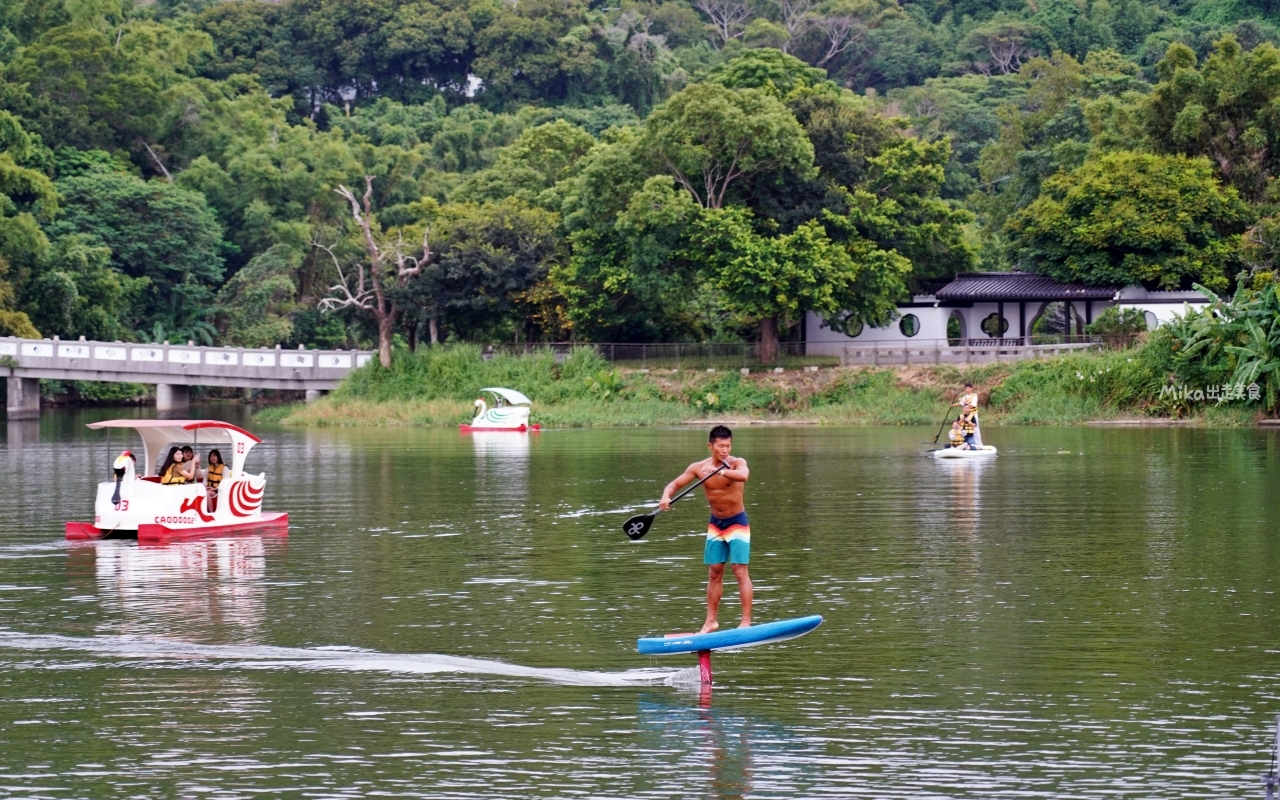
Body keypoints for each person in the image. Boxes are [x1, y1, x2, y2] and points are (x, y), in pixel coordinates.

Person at [659, 425, 752, 634]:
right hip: (715, 525)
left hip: (737, 522)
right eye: (720, 446)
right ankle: (711, 622)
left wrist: (723, 471)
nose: (725, 450)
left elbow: (744, 475)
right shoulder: (698, 468)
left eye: (728, 446)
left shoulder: (737, 463)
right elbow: (673, 485)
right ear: (710, 446)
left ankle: (745, 621)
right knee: (714, 573)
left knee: (739, 571)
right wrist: (666, 497)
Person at [951, 382, 982, 447]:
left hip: (973, 414)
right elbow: (961, 403)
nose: (967, 390)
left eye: (968, 388)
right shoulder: (965, 397)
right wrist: (952, 405)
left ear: (971, 389)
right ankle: (961, 442)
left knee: (975, 429)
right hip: (965, 414)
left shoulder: (974, 396)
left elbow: (973, 405)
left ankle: (978, 444)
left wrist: (964, 401)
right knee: (962, 427)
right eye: (966, 388)